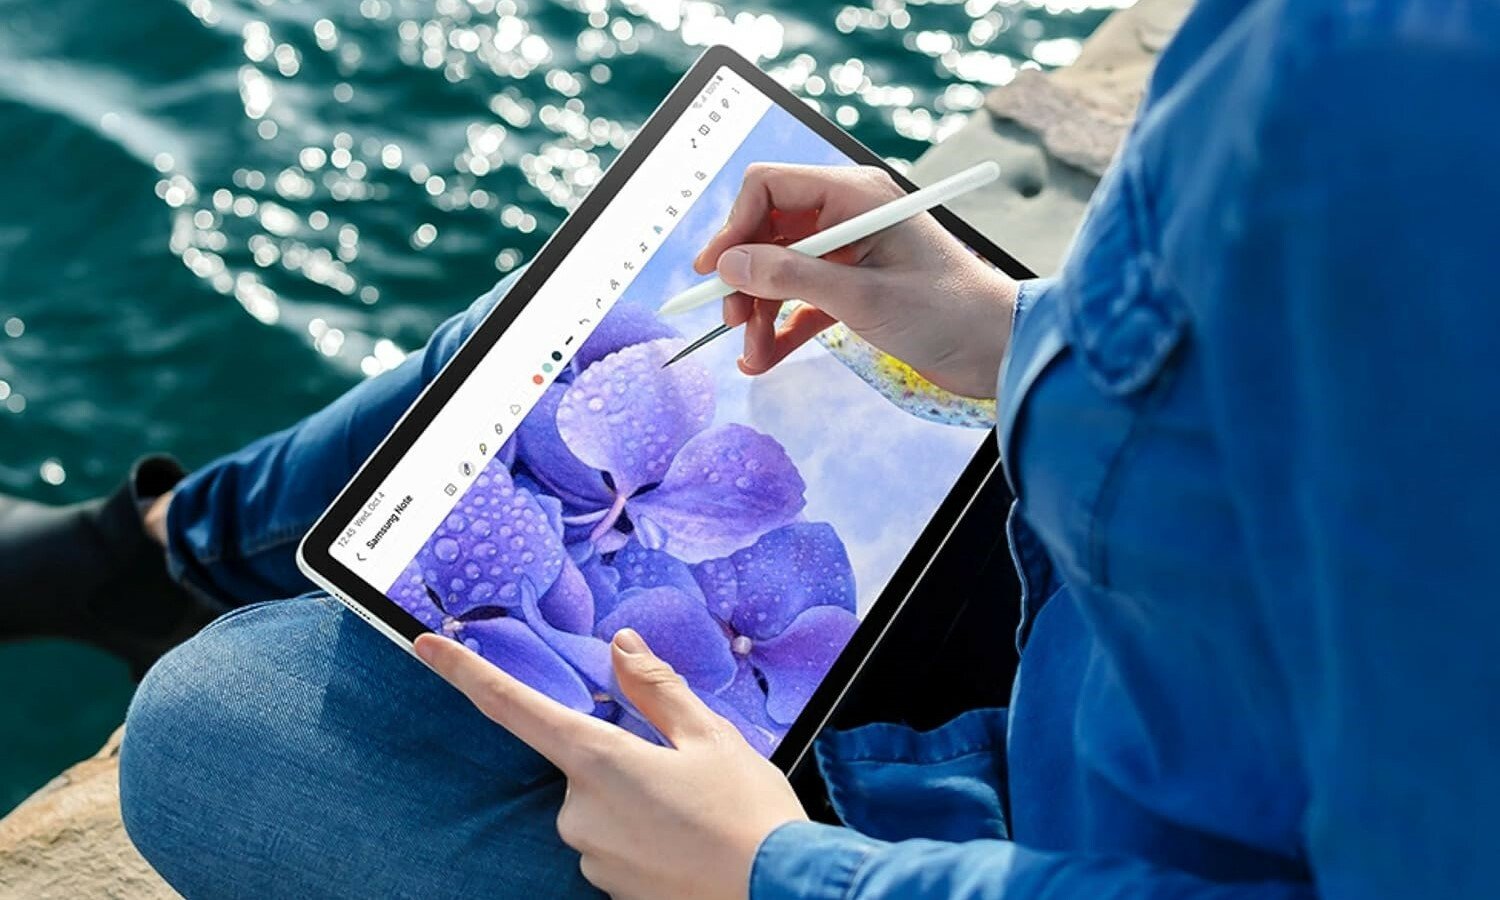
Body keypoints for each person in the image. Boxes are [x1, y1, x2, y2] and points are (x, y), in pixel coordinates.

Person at [3, 0, 1496, 896]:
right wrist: (1014, 329)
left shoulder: (1382, 78)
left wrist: (779, 878)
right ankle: (158, 555)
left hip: (1061, 828)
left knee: (224, 735)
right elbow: (1304, 388)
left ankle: (158, 580)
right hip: (1128, 635)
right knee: (561, 341)